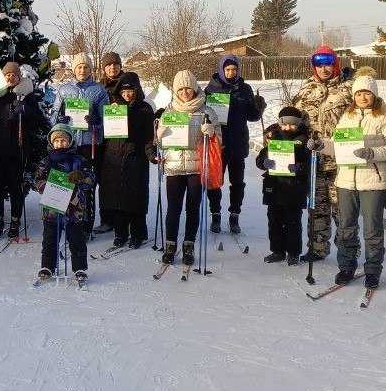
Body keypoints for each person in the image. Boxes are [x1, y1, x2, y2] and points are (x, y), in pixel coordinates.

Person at [308, 69, 385, 288]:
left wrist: (372, 153)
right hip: (346, 181)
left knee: (372, 228)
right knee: (346, 227)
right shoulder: (347, 117)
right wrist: (321, 145)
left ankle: (373, 270)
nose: (363, 97)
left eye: (367, 93)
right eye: (359, 93)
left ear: (374, 94)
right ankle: (346, 267)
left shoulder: (382, 117)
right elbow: (337, 146)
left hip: (373, 181)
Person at [291, 46, 353, 262]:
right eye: (319, 65)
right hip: (314, 161)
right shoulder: (306, 90)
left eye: (328, 64)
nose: (323, 69)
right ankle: (317, 248)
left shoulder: (349, 89)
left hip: (341, 161)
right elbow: (294, 121)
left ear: (335, 63)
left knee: (342, 210)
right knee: (317, 208)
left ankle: (347, 251)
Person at [156, 70, 222, 265]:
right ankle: (170, 244)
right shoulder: (169, 112)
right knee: (173, 208)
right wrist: (159, 136)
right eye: (181, 89)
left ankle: (189, 244)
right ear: (175, 91)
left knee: (193, 207)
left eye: (188, 88)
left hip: (197, 167)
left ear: (194, 88)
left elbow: (219, 142)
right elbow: (160, 145)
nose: (185, 92)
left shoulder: (207, 111)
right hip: (174, 166)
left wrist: (212, 133)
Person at [0, 62, 47, 239]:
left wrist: (26, 110)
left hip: (17, 151)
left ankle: (15, 221)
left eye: (14, 75)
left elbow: (38, 121)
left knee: (16, 187)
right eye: (7, 75)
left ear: (19, 77)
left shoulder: (26, 96)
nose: (10, 77)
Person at [204, 54, 265, 235]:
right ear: (222, 70)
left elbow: (252, 116)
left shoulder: (245, 89)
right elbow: (203, 114)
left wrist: (259, 107)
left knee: (237, 182)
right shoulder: (210, 89)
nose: (231, 73)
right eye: (228, 69)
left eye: (234, 70)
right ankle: (215, 214)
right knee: (215, 182)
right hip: (218, 144)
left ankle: (234, 214)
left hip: (238, 142)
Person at [51, 52, 109, 236]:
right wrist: (59, 119)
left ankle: (86, 226)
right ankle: (66, 222)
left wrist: (96, 121)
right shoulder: (64, 90)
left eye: (86, 67)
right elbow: (53, 115)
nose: (82, 70)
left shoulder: (98, 90)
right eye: (79, 67)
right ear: (74, 69)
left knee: (86, 184)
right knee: (65, 182)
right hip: (68, 144)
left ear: (90, 69)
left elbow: (107, 119)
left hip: (89, 144)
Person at [99, 72, 155, 249]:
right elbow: (104, 134)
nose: (127, 95)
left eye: (130, 91)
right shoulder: (113, 106)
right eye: (123, 92)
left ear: (136, 90)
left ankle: (138, 234)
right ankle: (120, 233)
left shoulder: (145, 109)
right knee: (117, 197)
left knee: (135, 198)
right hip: (114, 158)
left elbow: (149, 136)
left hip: (136, 158)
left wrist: (151, 153)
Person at [34, 123, 95, 284]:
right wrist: (46, 186)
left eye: (63, 140)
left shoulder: (79, 160)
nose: (60, 144)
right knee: (50, 239)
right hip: (52, 209)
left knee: (77, 241)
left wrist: (80, 176)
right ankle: (47, 266)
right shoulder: (47, 161)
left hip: (74, 209)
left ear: (70, 142)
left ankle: (80, 268)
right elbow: (38, 180)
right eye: (56, 141)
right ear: (51, 142)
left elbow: (91, 179)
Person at [255, 106, 311, 266]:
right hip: (274, 186)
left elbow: (311, 163)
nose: (288, 127)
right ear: (280, 124)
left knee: (293, 222)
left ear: (298, 124)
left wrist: (300, 167)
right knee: (274, 221)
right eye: (285, 124)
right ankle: (277, 250)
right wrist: (264, 162)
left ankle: (293, 252)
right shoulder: (274, 138)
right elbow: (260, 159)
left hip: (295, 188)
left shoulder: (305, 140)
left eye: (292, 124)